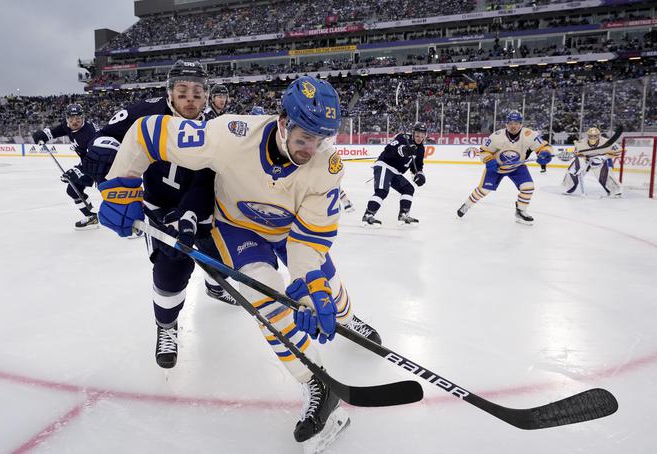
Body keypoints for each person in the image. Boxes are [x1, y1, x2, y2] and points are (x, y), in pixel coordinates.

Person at [97, 75, 382, 450]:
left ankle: (349, 319)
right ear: (283, 123)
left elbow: (309, 240)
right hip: (237, 229)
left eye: (320, 139)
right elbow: (148, 132)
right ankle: (316, 382)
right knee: (267, 301)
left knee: (325, 286)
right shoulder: (230, 136)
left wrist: (311, 286)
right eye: (303, 139)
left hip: (290, 230)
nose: (311, 149)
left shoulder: (327, 164)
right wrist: (121, 185)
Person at [84, 60, 237, 368]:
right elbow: (105, 138)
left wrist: (190, 214)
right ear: (169, 93)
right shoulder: (144, 112)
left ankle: (215, 285)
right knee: (171, 270)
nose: (190, 99)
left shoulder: (215, 127)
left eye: (197, 92)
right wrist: (99, 161)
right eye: (182, 92)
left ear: (206, 96)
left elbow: (207, 180)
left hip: (201, 207)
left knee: (219, 258)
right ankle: (166, 326)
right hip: (159, 211)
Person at [456, 111, 553, 225]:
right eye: (511, 123)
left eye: (516, 123)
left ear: (521, 124)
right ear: (506, 124)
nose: (513, 126)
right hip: (497, 168)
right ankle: (467, 205)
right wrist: (489, 160)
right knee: (483, 190)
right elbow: (483, 151)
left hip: (517, 166)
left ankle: (520, 211)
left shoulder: (529, 135)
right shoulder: (497, 136)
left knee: (528, 187)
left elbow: (544, 146)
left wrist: (545, 153)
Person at [32, 103, 99, 230]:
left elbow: (95, 158)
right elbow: (54, 132)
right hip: (88, 163)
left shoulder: (89, 134)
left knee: (113, 193)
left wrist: (77, 171)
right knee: (73, 190)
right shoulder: (67, 125)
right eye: (71, 118)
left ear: (83, 117)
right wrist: (42, 135)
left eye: (78, 118)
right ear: (67, 118)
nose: (75, 122)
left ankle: (134, 224)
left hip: (103, 163)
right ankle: (91, 216)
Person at [362, 122, 427, 226]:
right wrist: (402, 150)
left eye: (422, 136)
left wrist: (419, 174)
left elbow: (417, 166)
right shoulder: (402, 138)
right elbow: (388, 151)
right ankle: (368, 215)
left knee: (408, 189)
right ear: (413, 133)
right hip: (385, 166)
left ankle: (403, 215)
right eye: (417, 135)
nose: (419, 138)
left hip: (396, 172)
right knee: (382, 191)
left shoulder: (421, 149)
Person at [562, 127, 622, 197]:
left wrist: (603, 157)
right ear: (588, 136)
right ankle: (567, 187)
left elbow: (619, 151)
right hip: (586, 158)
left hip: (600, 158)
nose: (593, 137)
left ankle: (615, 191)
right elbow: (578, 154)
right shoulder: (581, 143)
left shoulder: (606, 142)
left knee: (604, 173)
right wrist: (582, 159)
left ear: (599, 135)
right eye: (591, 136)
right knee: (574, 169)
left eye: (595, 136)